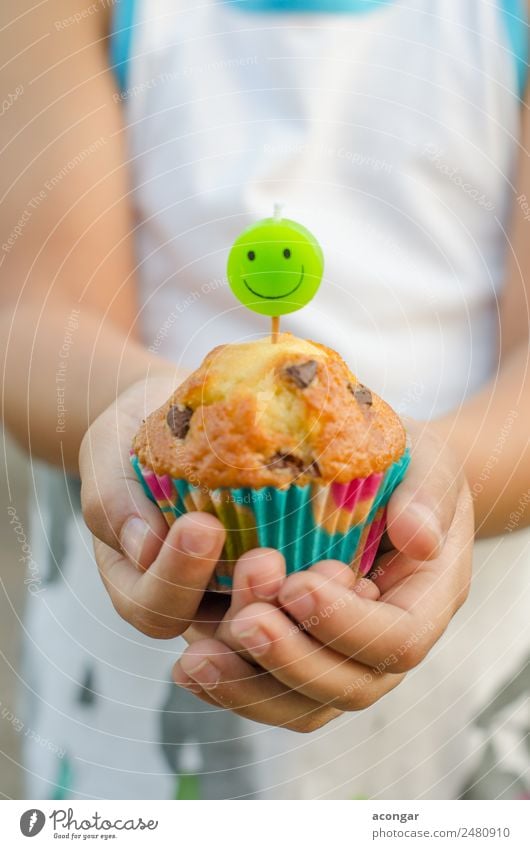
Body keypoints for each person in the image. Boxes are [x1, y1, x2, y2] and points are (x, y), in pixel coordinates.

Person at [0, 0, 528, 800]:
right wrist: (146, 409)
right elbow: (36, 315)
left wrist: (439, 490)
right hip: (138, 665)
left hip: (469, 648)